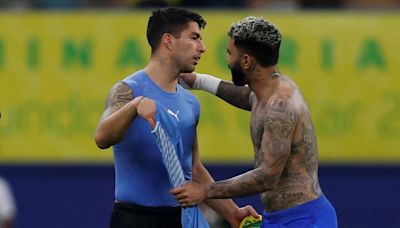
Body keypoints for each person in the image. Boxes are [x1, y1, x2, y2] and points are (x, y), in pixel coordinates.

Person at [94, 8, 258, 228]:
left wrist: (232, 212)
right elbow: (102, 138)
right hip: (133, 219)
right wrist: (135, 105)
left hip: (178, 219)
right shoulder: (127, 90)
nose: (203, 48)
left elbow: (193, 168)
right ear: (169, 41)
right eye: (194, 38)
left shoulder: (191, 103)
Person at [172, 16, 338, 227]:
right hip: (279, 217)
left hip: (304, 221)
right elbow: (245, 96)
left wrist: (205, 190)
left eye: (229, 53)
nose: (227, 60)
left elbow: (267, 176)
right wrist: (198, 80)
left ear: (247, 61)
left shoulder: (281, 106)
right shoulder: (266, 91)